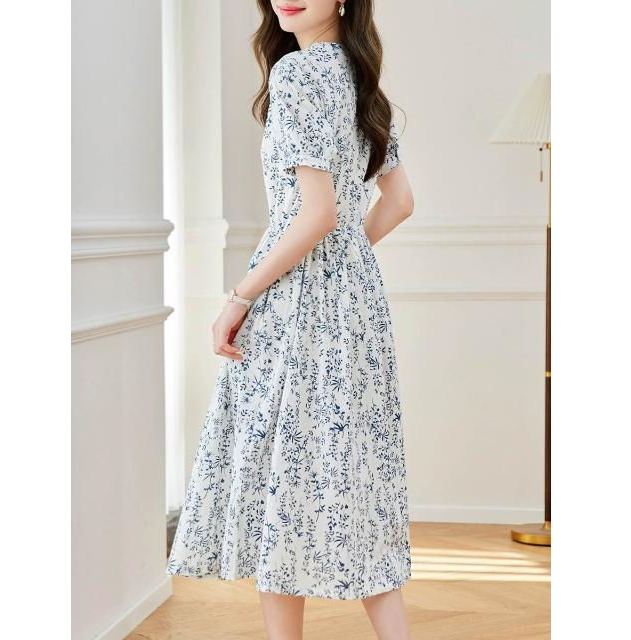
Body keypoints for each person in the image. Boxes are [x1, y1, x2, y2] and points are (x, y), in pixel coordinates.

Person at [167, 1, 415, 638]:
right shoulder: (360, 79)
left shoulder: (299, 74)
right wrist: (343, 263)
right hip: (356, 307)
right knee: (355, 473)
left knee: (282, 476)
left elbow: (316, 215)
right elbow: (399, 202)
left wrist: (240, 296)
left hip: (293, 306)